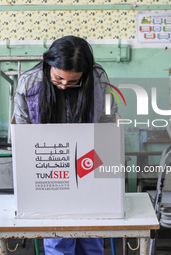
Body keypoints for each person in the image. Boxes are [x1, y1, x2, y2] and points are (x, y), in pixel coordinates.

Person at [13, 35, 118, 255]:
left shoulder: (98, 81)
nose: (63, 86)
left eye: (72, 82)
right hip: (49, 167)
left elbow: (109, 130)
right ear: (48, 65)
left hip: (89, 164)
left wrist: (92, 167)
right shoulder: (29, 83)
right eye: (58, 78)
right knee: (58, 240)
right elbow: (21, 135)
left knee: (92, 238)